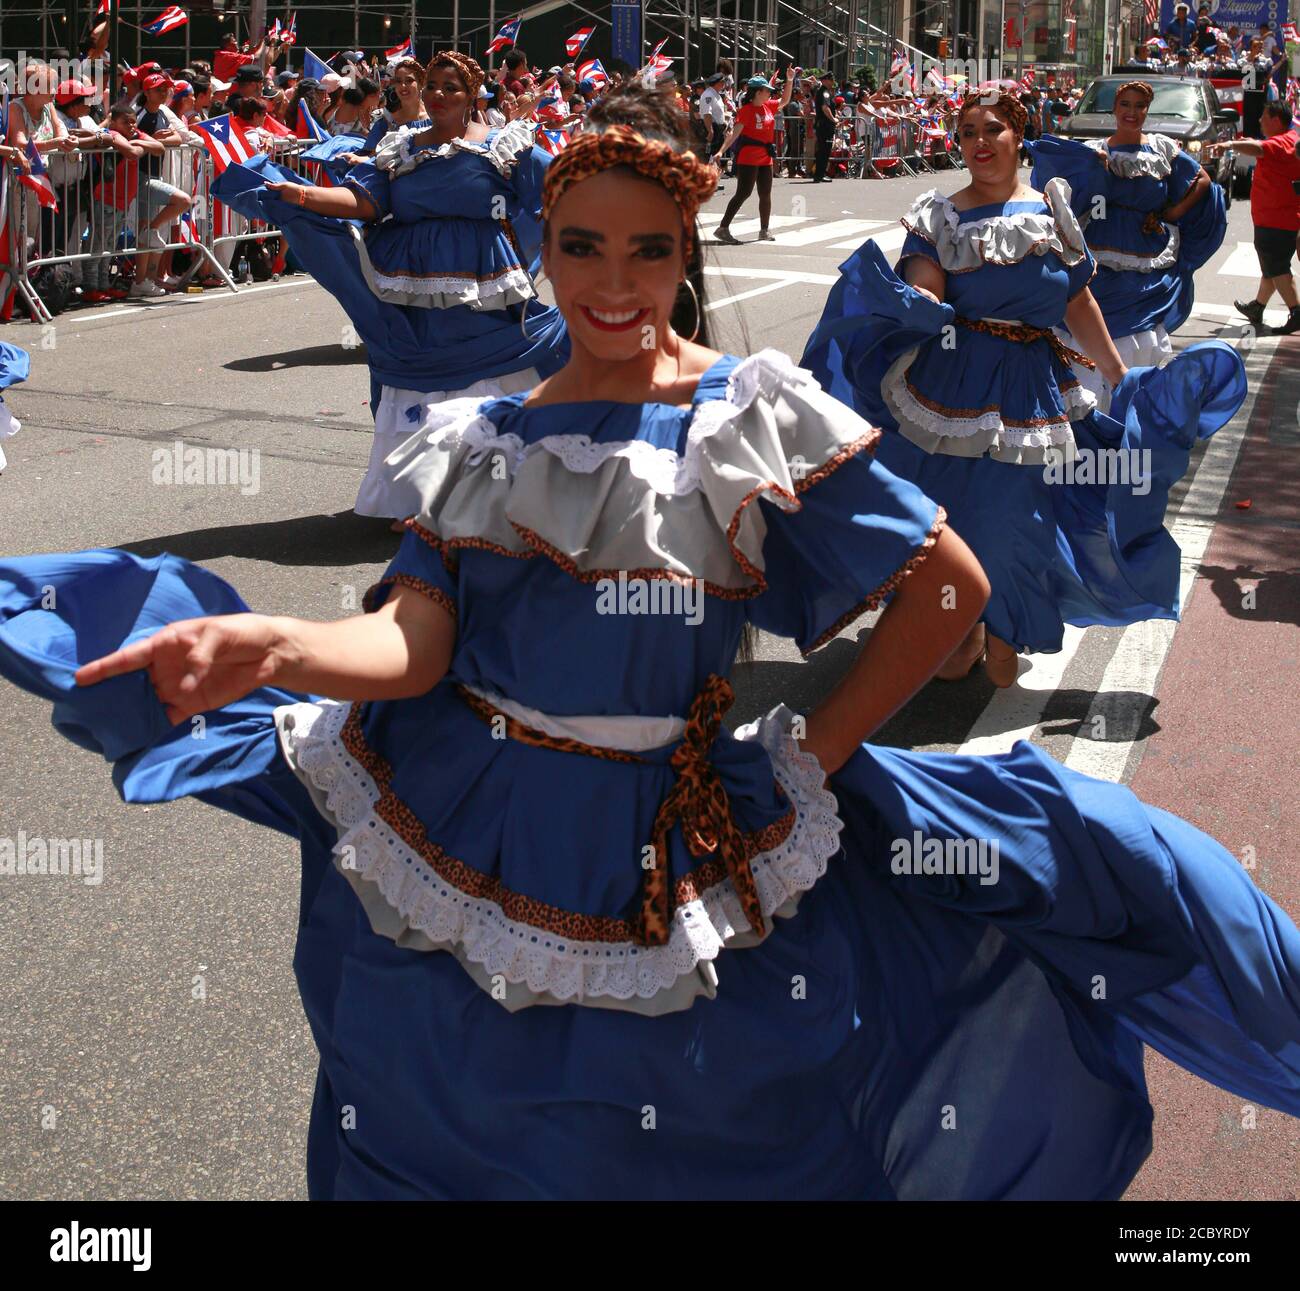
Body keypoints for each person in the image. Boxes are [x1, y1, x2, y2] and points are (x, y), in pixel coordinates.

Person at [3, 82, 1300, 1203]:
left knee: (710, 1115)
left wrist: (813, 752)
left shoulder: (751, 413)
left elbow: (944, 591)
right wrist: (279, 640)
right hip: (473, 805)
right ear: (543, 251)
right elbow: (412, 639)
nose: (613, 283)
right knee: (436, 1092)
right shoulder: (484, 438)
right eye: (581, 247)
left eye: (645, 249)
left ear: (686, 249)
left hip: (681, 831)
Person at [801, 93, 1246, 685]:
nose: (979, 142)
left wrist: (1119, 376)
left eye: (993, 130)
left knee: (1020, 516)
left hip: (1034, 385)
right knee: (950, 516)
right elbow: (926, 284)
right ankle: (965, 624)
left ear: (1019, 136)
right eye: (966, 132)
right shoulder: (939, 213)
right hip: (951, 383)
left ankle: (1005, 623)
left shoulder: (1050, 208)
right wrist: (920, 302)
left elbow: (1077, 297)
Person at [210, 50, 567, 522]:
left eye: (451, 88)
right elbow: (361, 201)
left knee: (488, 371)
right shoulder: (401, 147)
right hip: (411, 288)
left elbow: (562, 191)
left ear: (471, 98)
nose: (438, 95)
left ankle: (489, 492)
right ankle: (418, 497)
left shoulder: (506, 145)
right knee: (417, 372)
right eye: (434, 85)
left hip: (485, 288)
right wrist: (299, 193)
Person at [1029, 80, 1225, 406]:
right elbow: (1057, 189)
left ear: (1147, 110)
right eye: (1126, 105)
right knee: (1088, 322)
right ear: (1115, 109)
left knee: (1139, 331)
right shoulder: (1094, 150)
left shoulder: (1162, 149)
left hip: (1146, 254)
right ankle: (1092, 411)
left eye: (1139, 106)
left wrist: (1170, 211)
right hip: (1098, 250)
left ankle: (1132, 405)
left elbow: (1201, 179)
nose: (1132, 112)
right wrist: (1095, 172)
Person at [1207, 102, 1300, 334]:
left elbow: (1259, 149)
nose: (1259, 121)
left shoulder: (1280, 144)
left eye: (1263, 116)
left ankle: (1296, 312)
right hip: (1280, 218)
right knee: (1271, 266)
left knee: (1277, 268)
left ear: (1276, 120)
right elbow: (1259, 146)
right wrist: (1244, 143)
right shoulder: (1289, 139)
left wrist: (1229, 144)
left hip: (1275, 219)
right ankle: (1258, 307)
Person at [711, 68, 793, 243]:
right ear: (758, 92)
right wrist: (720, 150)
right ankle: (723, 228)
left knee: (765, 194)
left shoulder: (769, 106)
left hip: (765, 156)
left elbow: (785, 100)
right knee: (743, 193)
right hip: (749, 156)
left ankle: (764, 230)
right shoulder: (746, 111)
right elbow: (734, 134)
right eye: (767, 91)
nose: (770, 93)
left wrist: (790, 80)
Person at [812, 69, 837, 181]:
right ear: (825, 80)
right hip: (825, 125)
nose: (833, 82)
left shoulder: (823, 91)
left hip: (824, 125)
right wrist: (834, 119)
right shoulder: (825, 92)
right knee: (824, 150)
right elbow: (825, 108)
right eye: (831, 80)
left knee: (824, 150)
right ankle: (819, 174)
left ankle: (820, 173)